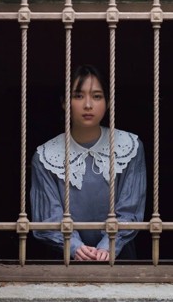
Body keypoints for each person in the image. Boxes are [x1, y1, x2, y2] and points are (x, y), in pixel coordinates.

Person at [30, 64, 146, 261]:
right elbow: (49, 216)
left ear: (108, 102)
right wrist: (74, 246)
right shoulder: (46, 156)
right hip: (63, 259)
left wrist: (109, 244)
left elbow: (130, 208)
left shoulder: (130, 146)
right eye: (78, 96)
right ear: (64, 102)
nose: (88, 105)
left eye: (97, 96)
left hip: (119, 258)